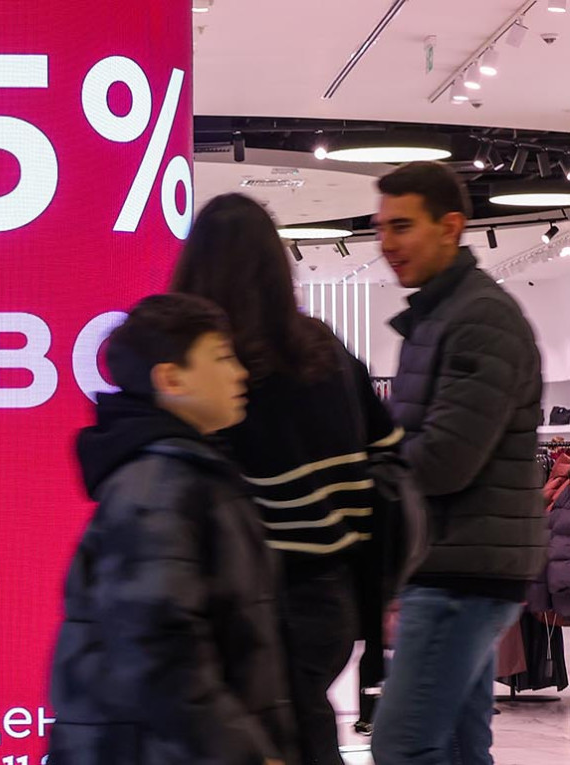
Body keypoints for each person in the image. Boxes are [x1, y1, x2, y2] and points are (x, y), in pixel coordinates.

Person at [170, 193, 399, 764]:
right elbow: (389, 453)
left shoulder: (216, 368)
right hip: (333, 598)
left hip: (251, 603)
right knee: (303, 728)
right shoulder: (324, 348)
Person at [49, 293, 292, 765]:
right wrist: (240, 751)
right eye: (221, 358)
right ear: (171, 378)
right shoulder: (157, 487)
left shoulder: (186, 473)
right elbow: (158, 645)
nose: (239, 373)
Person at [370, 161, 546, 765]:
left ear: (449, 227)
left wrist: (370, 463)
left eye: (401, 226)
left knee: (403, 745)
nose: (387, 243)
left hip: (461, 573)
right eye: (381, 228)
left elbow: (446, 459)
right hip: (457, 566)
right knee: (457, 746)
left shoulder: (480, 319)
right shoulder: (440, 318)